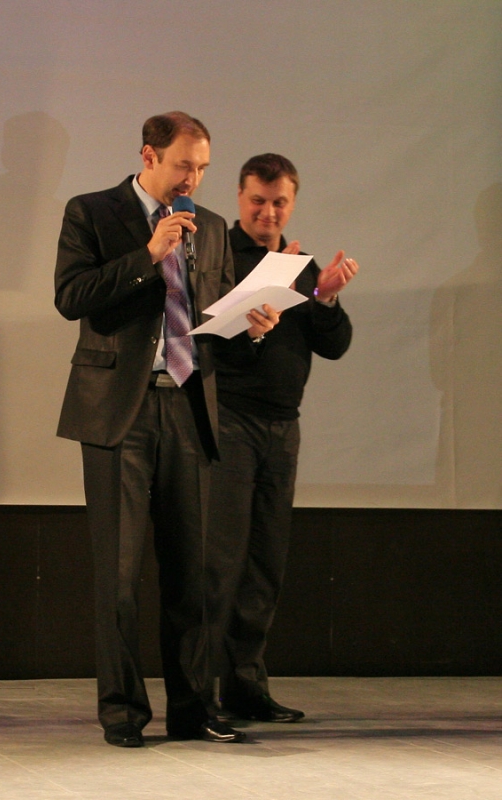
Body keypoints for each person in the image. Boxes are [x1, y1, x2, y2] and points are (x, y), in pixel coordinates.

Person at [54, 113, 278, 747]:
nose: (193, 179)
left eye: (203, 168)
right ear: (149, 155)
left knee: (192, 573)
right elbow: (71, 297)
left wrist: (250, 328)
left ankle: (193, 707)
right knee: (120, 576)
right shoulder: (92, 212)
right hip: (118, 411)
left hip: (188, 404)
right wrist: (147, 256)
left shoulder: (210, 227)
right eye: (184, 165)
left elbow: (211, 318)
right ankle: (123, 712)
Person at [206, 153, 358, 723]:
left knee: (264, 562)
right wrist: (257, 297)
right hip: (229, 420)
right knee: (220, 561)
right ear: (240, 198)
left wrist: (324, 296)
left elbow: (334, 344)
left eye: (279, 203)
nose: (268, 212)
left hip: (282, 426)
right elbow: (208, 339)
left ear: (292, 204)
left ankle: (246, 686)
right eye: (258, 201)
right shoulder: (219, 256)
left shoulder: (300, 264)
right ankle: (202, 692)